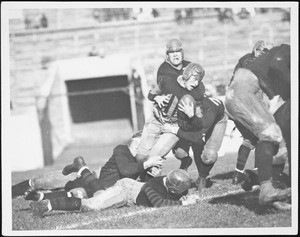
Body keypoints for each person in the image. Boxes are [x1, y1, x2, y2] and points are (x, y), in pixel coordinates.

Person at [224, 42, 291, 208]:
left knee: (279, 142)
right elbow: (277, 65)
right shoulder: (287, 49)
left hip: (246, 92)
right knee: (271, 133)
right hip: (242, 92)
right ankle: (266, 191)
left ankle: (270, 189)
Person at [12, 131, 164, 200]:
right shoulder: (122, 149)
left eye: (142, 146)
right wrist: (146, 164)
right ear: (131, 141)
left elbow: (140, 186)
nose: (138, 147)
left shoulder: (142, 162)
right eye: (137, 143)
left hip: (95, 189)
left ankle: (37, 198)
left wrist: (152, 175)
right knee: (42, 181)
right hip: (89, 177)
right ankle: (10, 192)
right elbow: (125, 169)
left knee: (76, 194)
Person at [29, 157, 199, 217]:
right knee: (93, 204)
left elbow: (186, 186)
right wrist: (184, 203)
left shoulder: (170, 181)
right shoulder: (153, 185)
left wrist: (191, 192)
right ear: (172, 188)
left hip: (129, 191)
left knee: (97, 194)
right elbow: (159, 204)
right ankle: (46, 206)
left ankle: (81, 168)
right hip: (126, 191)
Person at [136, 38, 205, 181]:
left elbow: (198, 109)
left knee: (155, 156)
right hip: (157, 118)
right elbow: (152, 93)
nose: (175, 55)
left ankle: (146, 184)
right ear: (167, 55)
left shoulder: (195, 81)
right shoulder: (166, 75)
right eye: (171, 52)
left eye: (178, 51)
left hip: (174, 124)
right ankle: (138, 181)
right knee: (141, 156)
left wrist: (193, 116)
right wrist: (157, 98)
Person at [165, 88, 227, 191]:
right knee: (180, 152)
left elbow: (195, 137)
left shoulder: (207, 113)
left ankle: (202, 178)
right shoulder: (177, 103)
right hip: (194, 119)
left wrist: (173, 129)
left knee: (209, 155)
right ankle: (186, 161)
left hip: (217, 121)